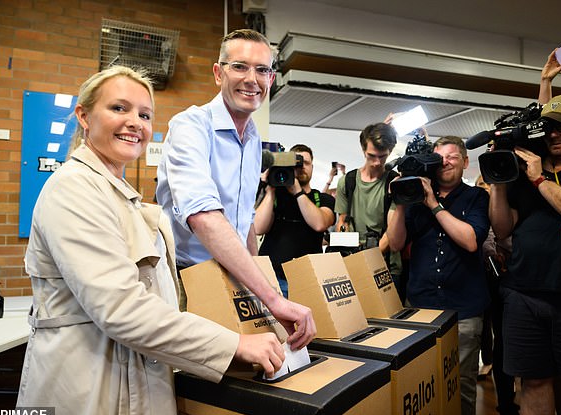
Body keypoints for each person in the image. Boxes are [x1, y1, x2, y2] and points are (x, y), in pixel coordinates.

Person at [16, 66, 285, 415]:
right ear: (83, 115)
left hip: (132, 383)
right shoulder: (73, 190)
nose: (134, 122)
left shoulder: (123, 200)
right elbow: (122, 309)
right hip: (88, 393)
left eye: (144, 115)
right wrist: (233, 345)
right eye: (119, 109)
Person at [156, 29, 316, 350]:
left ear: (271, 79)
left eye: (262, 70)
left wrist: (258, 284)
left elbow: (243, 223)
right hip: (187, 279)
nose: (252, 79)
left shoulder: (254, 138)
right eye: (240, 66)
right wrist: (272, 298)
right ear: (218, 73)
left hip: (233, 277)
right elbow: (204, 217)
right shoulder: (190, 126)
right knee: (195, 389)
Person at [488, 52, 561, 415]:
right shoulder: (532, 163)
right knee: (532, 384)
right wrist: (499, 180)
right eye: (550, 126)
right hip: (524, 292)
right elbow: (503, 228)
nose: (554, 133)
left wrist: (540, 180)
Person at [387, 136, 490, 415]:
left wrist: (433, 203)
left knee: (462, 385)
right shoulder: (414, 199)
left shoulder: (477, 197)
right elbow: (395, 243)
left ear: (465, 162)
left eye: (453, 157)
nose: (445, 162)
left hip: (464, 309)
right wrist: (401, 201)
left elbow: (471, 241)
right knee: (420, 382)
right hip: (420, 305)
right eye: (439, 157)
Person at [255, 144, 336, 297]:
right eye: (296, 163)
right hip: (273, 279)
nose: (301, 167)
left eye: (305, 163)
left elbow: (320, 224)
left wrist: (297, 191)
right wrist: (272, 189)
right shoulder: (275, 197)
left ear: (312, 166)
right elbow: (258, 228)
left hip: (307, 279)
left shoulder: (322, 199)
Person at [476, 175, 519, 415]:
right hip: (495, 276)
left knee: (506, 338)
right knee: (500, 337)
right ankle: (506, 407)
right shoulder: (484, 203)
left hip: (517, 273)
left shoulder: (513, 195)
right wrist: (494, 252)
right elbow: (487, 237)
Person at [334, 122, 401, 278]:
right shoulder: (347, 181)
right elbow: (342, 221)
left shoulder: (395, 183)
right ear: (364, 150)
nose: (377, 162)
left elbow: (392, 231)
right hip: (352, 263)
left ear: (390, 152)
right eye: (372, 156)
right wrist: (348, 247)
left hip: (386, 266)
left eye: (382, 156)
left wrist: (368, 258)